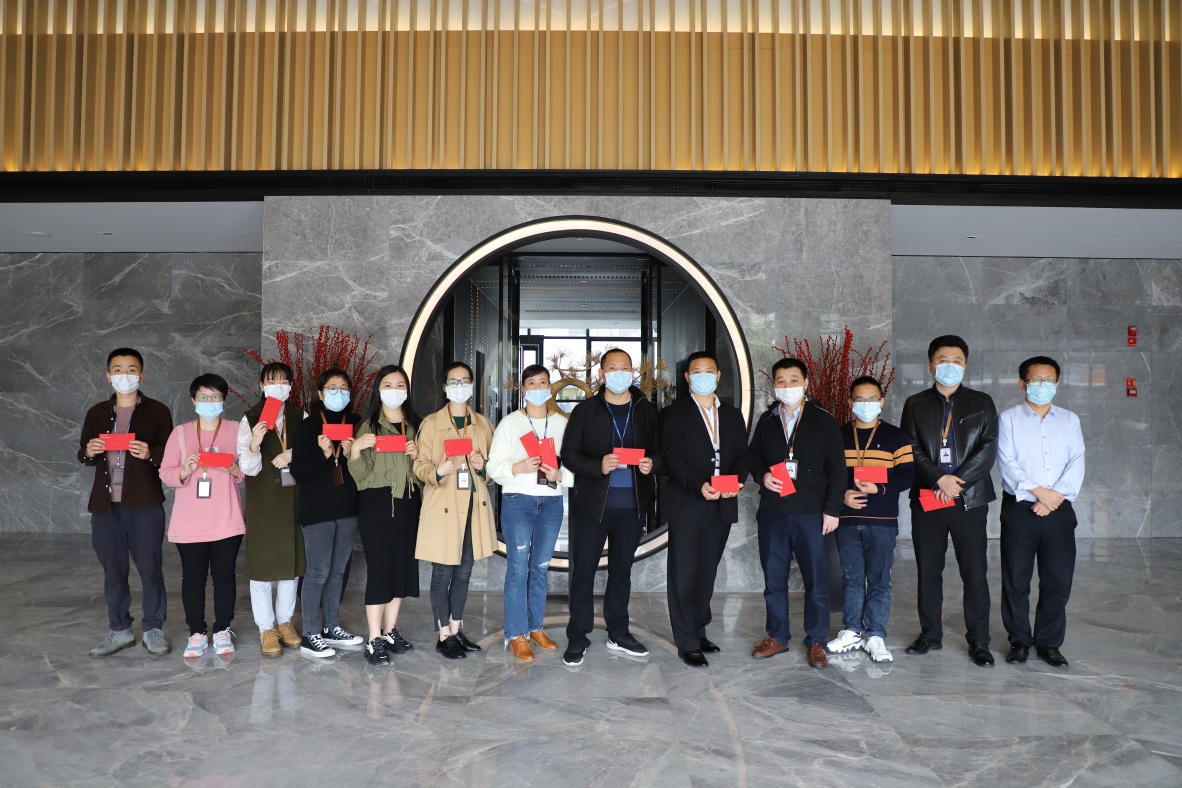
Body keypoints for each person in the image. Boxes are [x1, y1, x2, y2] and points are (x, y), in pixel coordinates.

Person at [900, 335, 999, 667]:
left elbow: (988, 447)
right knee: (929, 570)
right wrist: (937, 478)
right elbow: (910, 447)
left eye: (957, 361)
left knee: (975, 571)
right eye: (943, 360)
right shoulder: (915, 404)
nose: (950, 366)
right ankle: (930, 634)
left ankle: (979, 640)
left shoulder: (981, 402)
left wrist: (956, 482)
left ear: (965, 366)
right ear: (931, 366)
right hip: (928, 497)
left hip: (969, 499)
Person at [560, 348, 662, 667]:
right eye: (613, 368)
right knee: (583, 573)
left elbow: (662, 451)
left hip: (632, 505)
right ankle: (578, 636)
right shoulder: (586, 411)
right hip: (593, 506)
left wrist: (652, 463)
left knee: (621, 572)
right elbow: (569, 454)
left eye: (625, 367)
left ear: (633, 372)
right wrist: (598, 465)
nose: (619, 373)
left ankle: (618, 632)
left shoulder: (646, 410)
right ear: (602, 374)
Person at [748, 358, 846, 668]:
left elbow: (838, 469)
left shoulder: (824, 421)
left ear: (806, 383)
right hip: (773, 512)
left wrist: (832, 510)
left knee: (816, 581)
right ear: (774, 385)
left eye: (793, 380)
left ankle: (816, 640)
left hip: (811, 514)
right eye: (781, 380)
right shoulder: (767, 420)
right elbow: (753, 458)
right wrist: (763, 475)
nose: (787, 386)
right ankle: (777, 635)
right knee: (773, 580)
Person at [79, 348, 174, 657]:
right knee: (113, 569)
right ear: (109, 376)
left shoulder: (158, 411)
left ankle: (153, 627)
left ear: (142, 375)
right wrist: (90, 451)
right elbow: (83, 454)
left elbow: (169, 453)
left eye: (131, 369)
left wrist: (150, 453)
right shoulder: (96, 413)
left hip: (144, 503)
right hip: (105, 506)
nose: (125, 375)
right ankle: (119, 629)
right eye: (118, 370)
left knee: (150, 567)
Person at [659, 351, 750, 668]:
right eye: (696, 371)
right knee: (683, 575)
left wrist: (737, 481)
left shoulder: (733, 415)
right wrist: (699, 485)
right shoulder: (674, 414)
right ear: (687, 377)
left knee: (707, 573)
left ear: (718, 376)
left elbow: (742, 455)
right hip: (688, 503)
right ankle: (686, 641)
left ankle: (699, 632)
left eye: (709, 370)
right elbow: (672, 459)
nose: (703, 376)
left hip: (722, 504)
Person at [997, 356, 1085, 668]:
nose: (1042, 385)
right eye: (1036, 380)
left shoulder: (1070, 420)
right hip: (1020, 510)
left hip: (1059, 510)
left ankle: (1049, 642)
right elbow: (1007, 462)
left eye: (1049, 380)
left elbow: (1077, 461)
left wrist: (1053, 498)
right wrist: (1039, 493)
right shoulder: (1008, 419)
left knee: (1057, 580)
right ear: (1022, 384)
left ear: (1058, 384)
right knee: (1016, 580)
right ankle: (1019, 640)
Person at [487, 364, 574, 662]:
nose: (538, 388)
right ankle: (516, 634)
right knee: (517, 568)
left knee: (540, 567)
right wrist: (519, 467)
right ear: (523, 388)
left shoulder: (562, 424)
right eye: (532, 383)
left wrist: (560, 475)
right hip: (518, 501)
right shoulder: (510, 423)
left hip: (551, 503)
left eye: (543, 382)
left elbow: (574, 466)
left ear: (550, 387)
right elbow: (493, 466)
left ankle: (536, 627)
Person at [826, 376, 915, 664]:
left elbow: (908, 476)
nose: (866, 405)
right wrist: (842, 496)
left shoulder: (897, 437)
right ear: (850, 403)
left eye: (872, 399)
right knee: (852, 578)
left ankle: (875, 634)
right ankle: (852, 630)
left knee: (879, 579)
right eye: (860, 400)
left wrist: (880, 488)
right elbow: (826, 474)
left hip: (882, 519)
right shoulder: (837, 435)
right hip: (847, 518)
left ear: (882, 401)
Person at [413, 361, 497, 660]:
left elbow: (493, 468)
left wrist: (483, 467)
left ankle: (457, 628)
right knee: (443, 573)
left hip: (473, 507)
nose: (460, 386)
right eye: (453, 381)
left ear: (472, 385)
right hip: (444, 507)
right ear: (444, 387)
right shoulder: (431, 424)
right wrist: (438, 471)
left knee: (464, 572)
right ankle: (443, 635)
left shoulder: (482, 424)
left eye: (465, 381)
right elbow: (419, 465)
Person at [159, 373, 245, 661]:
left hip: (227, 519)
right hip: (190, 522)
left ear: (224, 400)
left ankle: (222, 629)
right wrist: (184, 470)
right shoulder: (180, 433)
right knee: (193, 578)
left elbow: (250, 468)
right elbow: (166, 472)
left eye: (215, 397)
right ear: (193, 400)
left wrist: (235, 470)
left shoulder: (236, 430)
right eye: (204, 397)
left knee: (225, 577)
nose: (210, 402)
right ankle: (196, 631)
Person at [348, 365, 424, 666]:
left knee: (400, 568)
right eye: (388, 385)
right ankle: (374, 638)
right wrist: (356, 450)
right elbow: (361, 476)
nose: (395, 391)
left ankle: (391, 631)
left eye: (400, 385)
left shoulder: (415, 424)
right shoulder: (368, 426)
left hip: (408, 502)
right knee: (380, 570)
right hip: (377, 504)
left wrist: (417, 457)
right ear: (378, 390)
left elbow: (422, 473)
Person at [289, 368, 365, 659]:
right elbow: (298, 472)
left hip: (347, 509)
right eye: (332, 388)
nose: (338, 393)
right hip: (317, 511)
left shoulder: (356, 423)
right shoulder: (310, 426)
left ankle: (332, 627)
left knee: (337, 572)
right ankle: (310, 634)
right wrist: (323, 455)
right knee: (318, 572)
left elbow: (364, 470)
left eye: (343, 388)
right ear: (320, 394)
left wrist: (352, 454)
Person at [237, 362, 307, 657]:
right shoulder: (250, 418)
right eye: (272, 381)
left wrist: (293, 453)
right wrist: (254, 442)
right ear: (262, 385)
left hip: (293, 498)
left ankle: (285, 622)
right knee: (262, 566)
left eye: (283, 381)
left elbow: (312, 454)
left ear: (290, 385)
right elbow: (247, 468)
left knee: (290, 565)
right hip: (264, 501)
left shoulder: (300, 416)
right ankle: (266, 627)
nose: (278, 386)